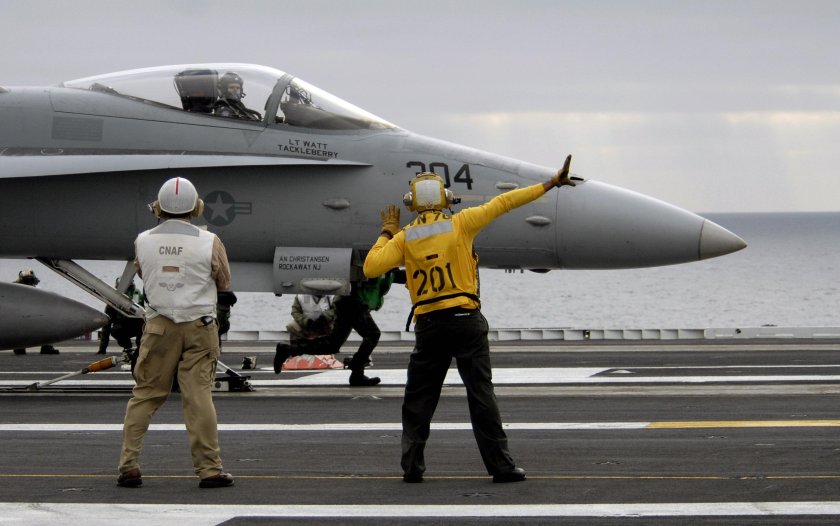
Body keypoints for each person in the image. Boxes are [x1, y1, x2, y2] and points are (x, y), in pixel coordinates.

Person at [362, 155, 576, 484]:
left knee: (419, 399)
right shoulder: (461, 223)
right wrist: (550, 183)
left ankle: (412, 468)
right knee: (480, 395)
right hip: (466, 320)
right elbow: (505, 202)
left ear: (412, 203)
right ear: (446, 198)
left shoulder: (405, 237)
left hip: (429, 326)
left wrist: (386, 232)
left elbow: (371, 268)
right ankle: (501, 467)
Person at [117, 176, 235, 489]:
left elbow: (144, 272)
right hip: (200, 326)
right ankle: (210, 469)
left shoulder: (142, 240)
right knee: (198, 397)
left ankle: (129, 465)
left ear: (158, 207)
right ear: (196, 208)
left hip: (158, 327)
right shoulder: (210, 241)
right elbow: (224, 281)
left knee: (145, 395)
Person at [274, 270, 405, 386]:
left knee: (332, 344)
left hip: (349, 304)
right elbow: (365, 275)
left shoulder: (389, 270)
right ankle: (357, 371)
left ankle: (288, 350)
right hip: (353, 302)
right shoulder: (378, 264)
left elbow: (395, 279)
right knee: (373, 334)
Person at [12, 269, 59, 355]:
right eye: (27, 280)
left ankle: (46, 347)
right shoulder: (18, 291)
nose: (29, 283)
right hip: (23, 317)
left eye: (30, 280)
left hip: (30, 316)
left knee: (47, 324)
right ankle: (20, 348)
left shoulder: (19, 290)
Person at [98, 279, 145, 355]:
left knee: (116, 330)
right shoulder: (140, 297)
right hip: (137, 327)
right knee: (143, 326)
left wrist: (102, 349)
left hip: (133, 327)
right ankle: (136, 348)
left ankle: (131, 348)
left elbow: (106, 326)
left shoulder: (114, 302)